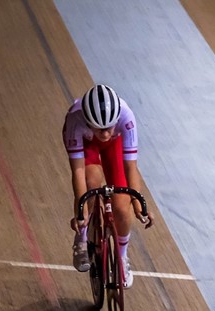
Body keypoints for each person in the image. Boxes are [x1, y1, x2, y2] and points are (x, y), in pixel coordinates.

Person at [62, 83, 152, 286]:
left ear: (116, 120)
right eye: (99, 128)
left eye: (108, 128)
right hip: (86, 143)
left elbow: (130, 167)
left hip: (115, 144)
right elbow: (78, 172)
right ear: (88, 121)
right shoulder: (75, 121)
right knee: (91, 181)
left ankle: (122, 257)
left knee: (122, 206)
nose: (104, 134)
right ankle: (82, 238)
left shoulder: (126, 117)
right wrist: (81, 211)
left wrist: (139, 205)